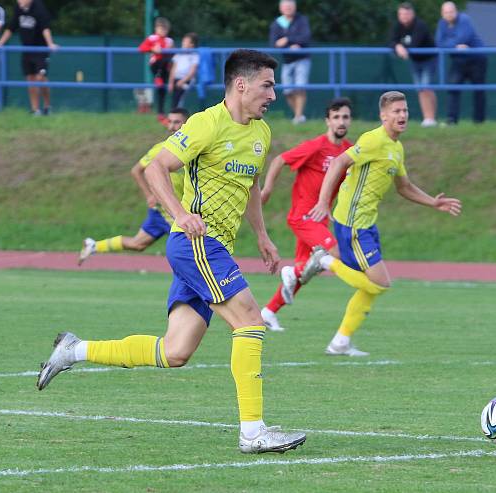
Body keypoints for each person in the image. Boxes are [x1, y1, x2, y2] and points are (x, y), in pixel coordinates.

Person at [37, 49, 307, 454]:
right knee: (250, 321)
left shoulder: (261, 132)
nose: (273, 94)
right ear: (241, 84)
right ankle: (253, 431)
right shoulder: (206, 124)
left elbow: (250, 188)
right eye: (267, 85)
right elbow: (155, 168)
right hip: (197, 244)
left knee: (175, 351)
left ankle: (74, 350)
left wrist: (263, 237)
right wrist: (180, 214)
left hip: (215, 248)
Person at [303, 91, 461, 356]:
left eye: (405, 111)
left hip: (367, 224)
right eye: (396, 111)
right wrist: (322, 202)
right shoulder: (374, 140)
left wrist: (433, 203)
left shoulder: (396, 148)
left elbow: (404, 187)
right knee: (380, 283)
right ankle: (324, 260)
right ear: (383, 115)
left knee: (371, 285)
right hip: (353, 224)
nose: (402, 116)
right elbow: (340, 162)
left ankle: (340, 341)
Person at [259, 97, 354, 332]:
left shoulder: (348, 151)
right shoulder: (316, 146)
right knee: (334, 253)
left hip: (320, 220)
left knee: (304, 273)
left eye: (345, 117)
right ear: (327, 121)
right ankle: (291, 272)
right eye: (336, 117)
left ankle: (268, 311)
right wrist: (268, 188)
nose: (341, 122)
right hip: (303, 217)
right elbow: (280, 160)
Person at [78, 108, 190, 266]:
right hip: (169, 209)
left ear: (187, 123)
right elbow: (136, 171)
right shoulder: (161, 149)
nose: (171, 126)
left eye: (176, 122)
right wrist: (149, 195)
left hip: (179, 207)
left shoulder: (195, 148)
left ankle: (94, 245)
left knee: (138, 244)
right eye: (169, 122)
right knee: (191, 244)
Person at [0, 0, 57, 116]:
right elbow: (11, 27)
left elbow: (45, 28)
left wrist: (50, 44)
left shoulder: (39, 8)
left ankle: (48, 106)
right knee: (30, 79)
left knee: (41, 78)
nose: (19, 1)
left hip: (40, 49)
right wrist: (0, 43)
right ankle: (35, 109)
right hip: (26, 49)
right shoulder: (18, 8)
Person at [435, 1, 487, 125]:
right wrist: (455, 46)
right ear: (442, 14)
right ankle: (451, 120)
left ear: (456, 11)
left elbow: (463, 38)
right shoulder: (442, 24)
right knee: (453, 89)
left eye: (451, 11)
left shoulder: (464, 19)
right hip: (458, 60)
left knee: (479, 90)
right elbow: (439, 43)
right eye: (446, 12)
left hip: (477, 59)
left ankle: (479, 122)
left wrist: (449, 43)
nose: (449, 14)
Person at [390, 2, 438, 127]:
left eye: (406, 13)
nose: (404, 16)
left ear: (412, 14)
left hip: (429, 59)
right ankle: (428, 118)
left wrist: (401, 46)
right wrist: (397, 46)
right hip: (415, 61)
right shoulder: (398, 26)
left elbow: (415, 44)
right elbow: (390, 41)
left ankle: (430, 119)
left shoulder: (420, 25)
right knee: (420, 89)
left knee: (425, 87)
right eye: (401, 14)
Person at [268, 0, 312, 124]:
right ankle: (299, 116)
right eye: (286, 6)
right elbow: (273, 43)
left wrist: (287, 39)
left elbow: (305, 37)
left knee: (300, 88)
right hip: (287, 61)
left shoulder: (302, 20)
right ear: (281, 8)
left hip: (302, 59)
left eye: (290, 6)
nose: (288, 8)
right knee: (287, 91)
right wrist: (290, 44)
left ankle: (298, 118)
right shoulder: (277, 23)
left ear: (295, 7)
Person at [138, 17, 174, 125]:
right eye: (160, 28)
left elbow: (173, 54)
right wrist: (152, 48)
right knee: (161, 61)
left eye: (165, 29)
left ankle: (161, 113)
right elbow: (141, 48)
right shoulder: (152, 38)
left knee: (162, 91)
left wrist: (169, 50)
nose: (162, 31)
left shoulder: (169, 41)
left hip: (165, 68)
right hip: (155, 64)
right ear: (156, 29)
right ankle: (157, 77)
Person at [168, 33, 199, 109]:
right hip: (176, 79)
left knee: (180, 94)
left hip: (187, 80)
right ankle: (174, 112)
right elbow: (173, 69)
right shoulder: (179, 54)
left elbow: (192, 72)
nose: (183, 43)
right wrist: (170, 82)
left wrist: (182, 81)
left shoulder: (194, 55)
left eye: (186, 41)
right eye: (183, 41)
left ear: (192, 44)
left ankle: (178, 113)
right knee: (175, 97)